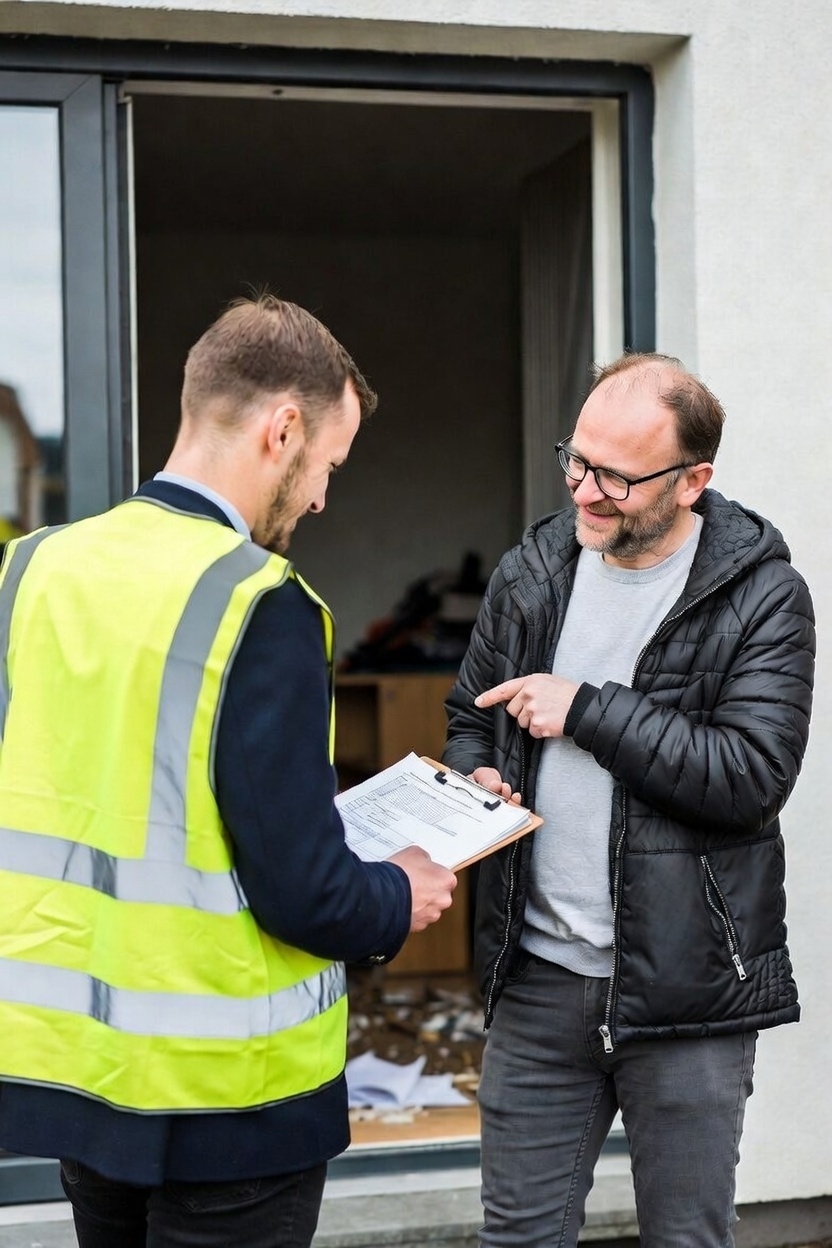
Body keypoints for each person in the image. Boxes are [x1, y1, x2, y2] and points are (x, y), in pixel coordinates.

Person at [0, 294, 457, 1248]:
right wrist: (397, 893)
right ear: (282, 429)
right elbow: (304, 893)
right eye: (330, 463)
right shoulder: (260, 601)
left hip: (82, 1078)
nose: (325, 495)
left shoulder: (29, 571)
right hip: (231, 1101)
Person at [442, 352, 815, 1248]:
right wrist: (478, 775)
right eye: (577, 459)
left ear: (694, 481)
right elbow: (471, 713)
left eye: (615, 474)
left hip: (689, 991)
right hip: (536, 979)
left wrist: (588, 712)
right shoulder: (532, 570)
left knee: (686, 1239)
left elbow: (750, 775)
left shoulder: (764, 597)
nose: (586, 490)